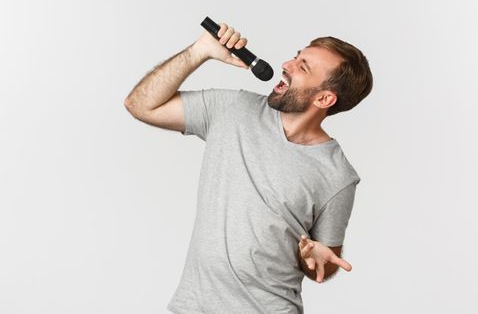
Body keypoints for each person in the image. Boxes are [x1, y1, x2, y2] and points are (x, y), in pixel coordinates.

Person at [124, 21, 373, 314]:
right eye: (296, 55)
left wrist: (314, 259)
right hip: (192, 307)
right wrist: (200, 51)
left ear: (324, 98)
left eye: (303, 67)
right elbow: (141, 105)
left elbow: (325, 264)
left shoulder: (338, 175)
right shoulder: (232, 109)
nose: (286, 64)